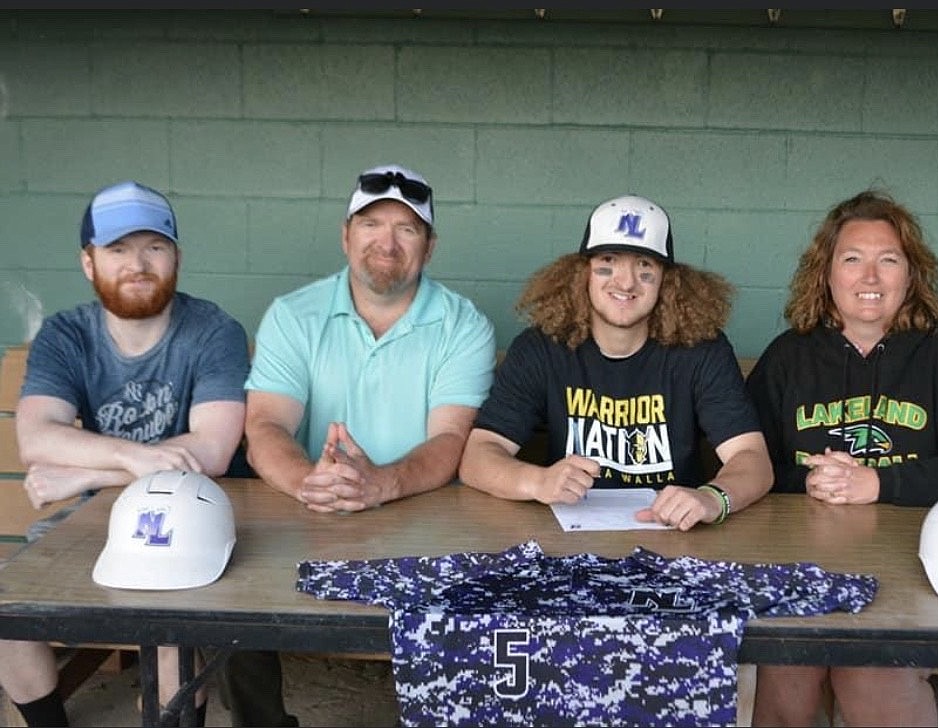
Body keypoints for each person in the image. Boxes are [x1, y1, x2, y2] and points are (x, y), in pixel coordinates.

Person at [229, 163, 495, 727]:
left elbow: (450, 440)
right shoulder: (294, 314)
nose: (387, 242)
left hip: (424, 519)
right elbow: (266, 427)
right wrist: (311, 481)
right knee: (230, 594)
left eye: (408, 228)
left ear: (430, 245)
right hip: (309, 515)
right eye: (371, 223)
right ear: (345, 235)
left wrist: (381, 484)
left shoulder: (462, 324)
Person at [745, 189, 938, 727]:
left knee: (872, 669)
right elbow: (746, 462)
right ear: (825, 273)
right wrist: (811, 479)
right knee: (787, 670)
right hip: (802, 564)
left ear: (911, 276)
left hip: (907, 566)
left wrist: (878, 483)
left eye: (887, 260)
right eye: (853, 259)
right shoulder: (789, 357)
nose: (870, 278)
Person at [0, 180, 251, 727]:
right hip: (95, 521)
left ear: (176, 256)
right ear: (89, 263)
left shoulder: (212, 330)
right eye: (117, 249)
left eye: (153, 247)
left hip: (193, 523)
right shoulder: (67, 335)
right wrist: (135, 460)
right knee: (6, 602)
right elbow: (37, 437)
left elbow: (209, 450)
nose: (138, 263)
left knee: (166, 624)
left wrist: (80, 472)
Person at [459, 194, 773, 530]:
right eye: (608, 261)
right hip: (568, 539)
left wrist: (713, 498)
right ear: (583, 274)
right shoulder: (541, 349)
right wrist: (536, 481)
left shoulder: (701, 350)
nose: (625, 282)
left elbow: (752, 459)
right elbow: (478, 456)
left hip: (673, 536)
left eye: (644, 267)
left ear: (667, 281)